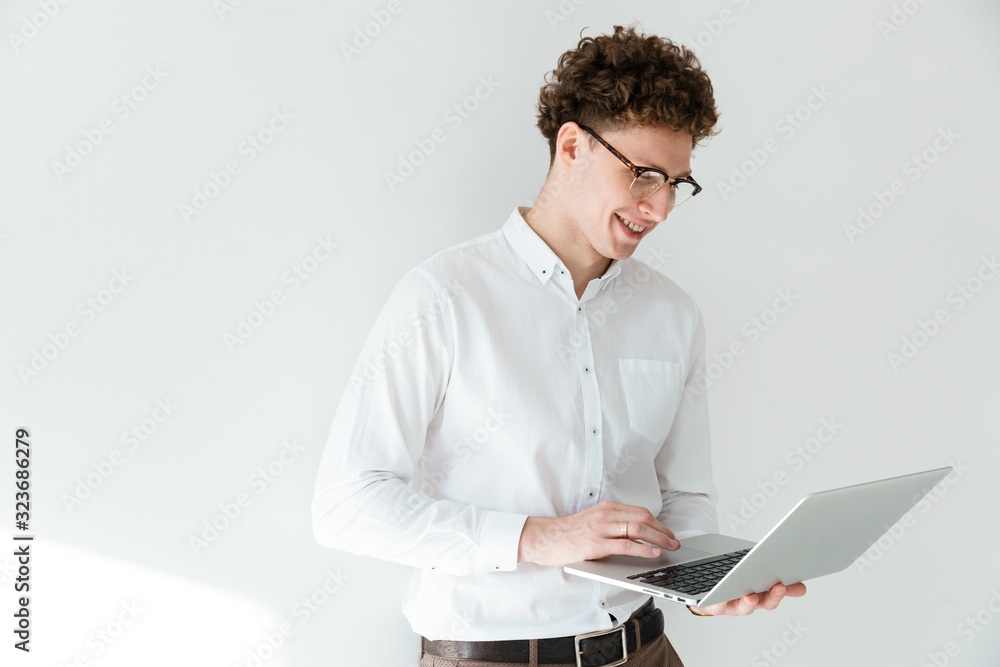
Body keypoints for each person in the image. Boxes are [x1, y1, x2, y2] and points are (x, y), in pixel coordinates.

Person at [311, 23, 805, 667]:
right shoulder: (442, 297)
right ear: (572, 146)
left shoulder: (673, 314)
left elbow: (683, 500)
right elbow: (347, 505)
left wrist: (702, 581)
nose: (658, 209)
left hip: (647, 651)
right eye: (644, 175)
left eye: (676, 183)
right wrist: (538, 538)